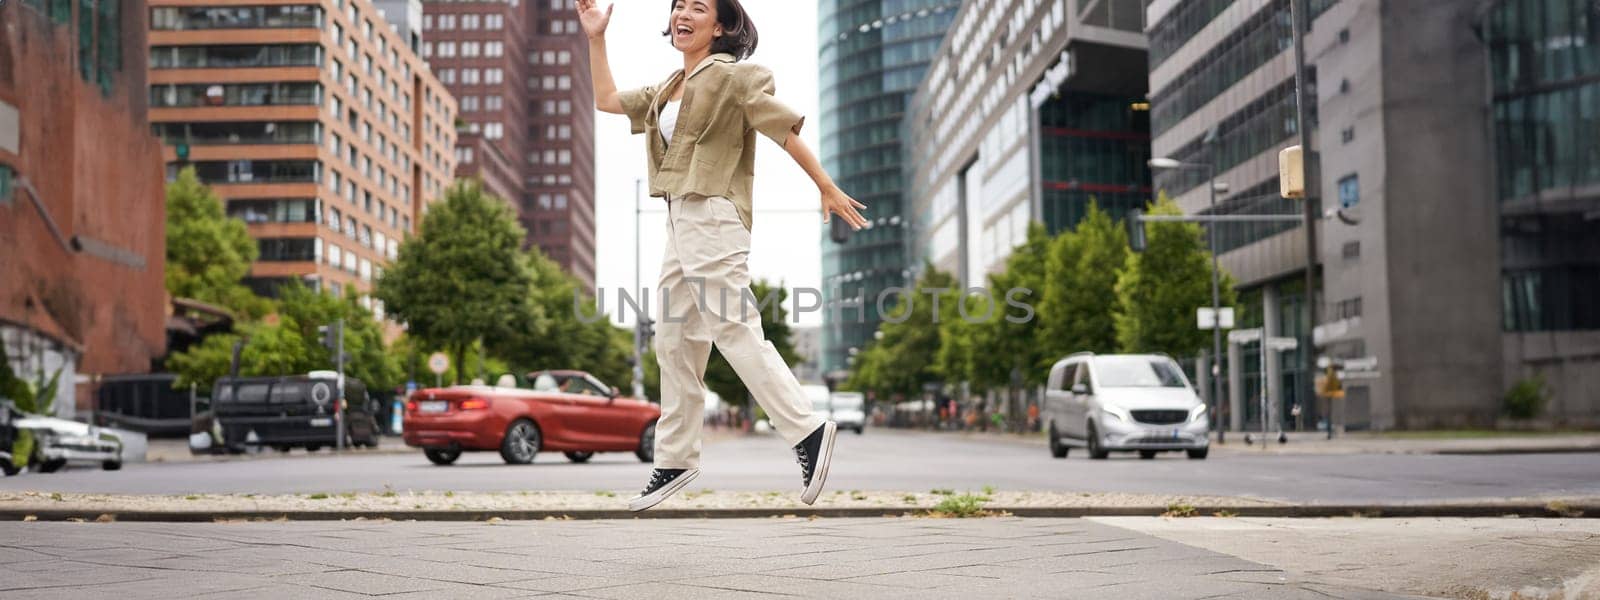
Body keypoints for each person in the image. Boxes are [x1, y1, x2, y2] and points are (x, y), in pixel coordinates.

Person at [578, 0, 869, 512]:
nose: (682, 14)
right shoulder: (665, 89)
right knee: (674, 341)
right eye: (677, 7)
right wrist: (596, 37)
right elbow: (603, 99)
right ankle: (676, 458)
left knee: (732, 326)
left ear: (720, 25)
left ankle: (809, 430)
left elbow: (785, 130)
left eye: (697, 6)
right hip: (678, 220)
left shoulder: (737, 77)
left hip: (712, 214)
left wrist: (824, 185)